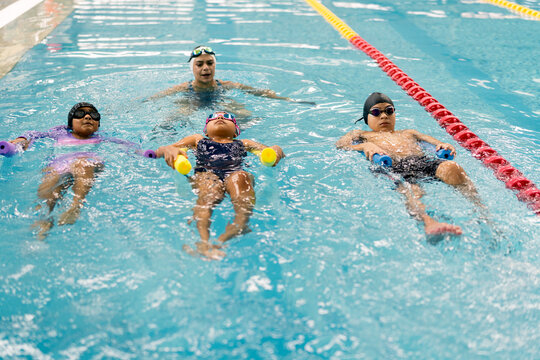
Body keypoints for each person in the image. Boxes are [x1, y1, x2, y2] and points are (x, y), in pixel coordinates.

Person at [336, 92, 484, 236]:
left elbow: (435, 143)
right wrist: (363, 146)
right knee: (413, 191)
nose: (383, 116)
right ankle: (430, 223)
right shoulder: (361, 134)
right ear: (366, 118)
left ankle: (482, 211)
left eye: (389, 111)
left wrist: (444, 145)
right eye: (376, 112)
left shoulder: (409, 132)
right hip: (394, 166)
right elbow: (340, 145)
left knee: (453, 168)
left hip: (422, 161)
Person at [7, 102, 147, 240]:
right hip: (60, 165)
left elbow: (128, 145)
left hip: (88, 164)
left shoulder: (102, 137)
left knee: (81, 163)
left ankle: (75, 205)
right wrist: (22, 140)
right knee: (52, 178)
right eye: (80, 114)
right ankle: (43, 221)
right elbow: (35, 134)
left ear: (98, 125)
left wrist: (140, 152)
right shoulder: (59, 133)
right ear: (70, 123)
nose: (87, 117)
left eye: (93, 115)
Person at [156, 111, 285, 260]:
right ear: (205, 130)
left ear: (236, 132)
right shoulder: (197, 140)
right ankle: (203, 241)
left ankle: (239, 224)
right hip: (207, 173)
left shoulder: (244, 143)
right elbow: (163, 150)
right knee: (210, 188)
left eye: (227, 117)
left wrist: (277, 150)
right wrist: (168, 149)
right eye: (214, 117)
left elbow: (269, 151)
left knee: (241, 177)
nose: (220, 117)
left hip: (234, 172)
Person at [148, 45, 315, 124]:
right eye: (199, 64)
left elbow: (257, 92)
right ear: (192, 68)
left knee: (245, 114)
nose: (205, 68)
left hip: (218, 100)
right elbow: (155, 97)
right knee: (174, 118)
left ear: (215, 65)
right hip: (192, 100)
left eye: (209, 63)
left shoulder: (226, 84)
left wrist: (289, 100)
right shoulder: (184, 88)